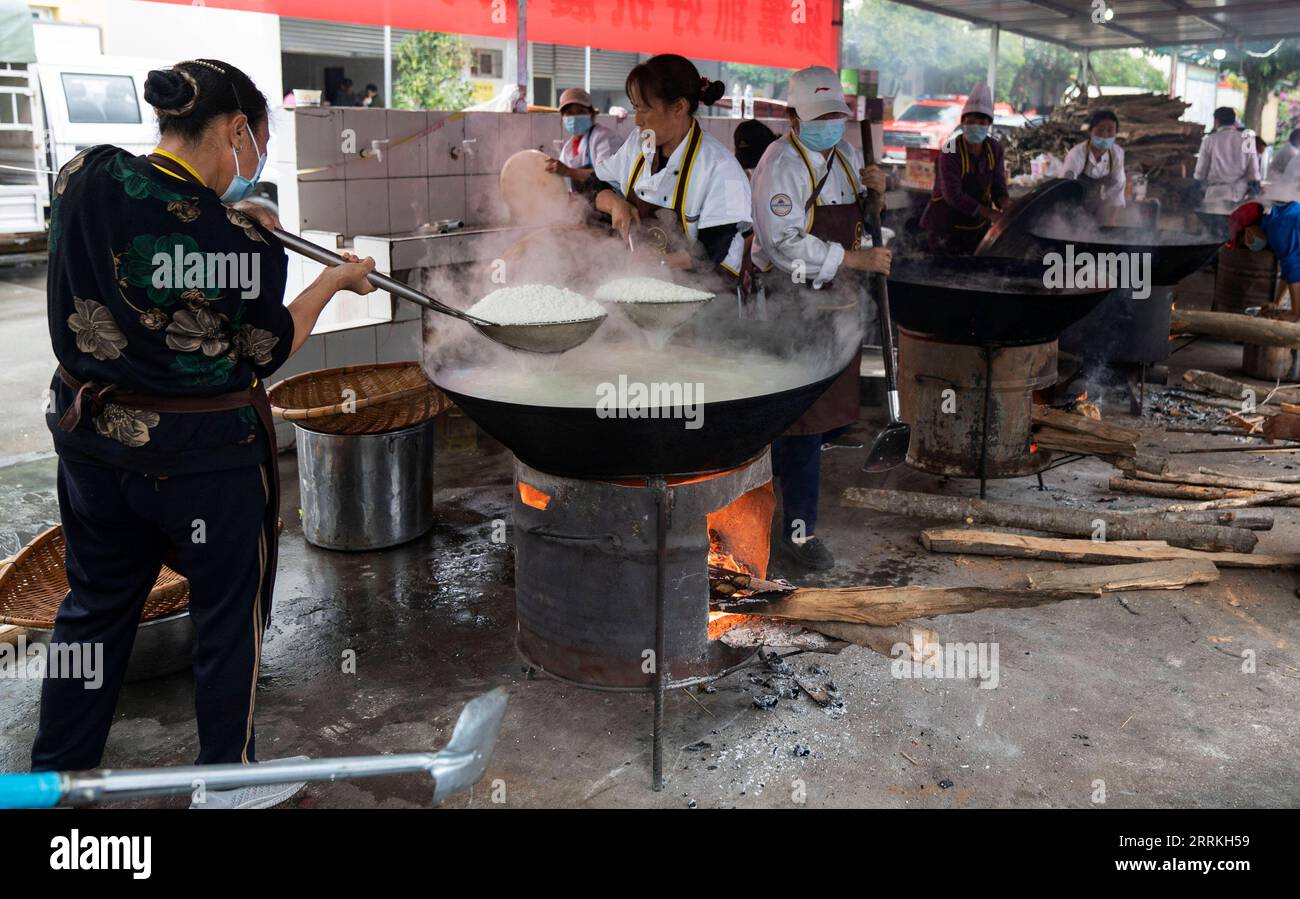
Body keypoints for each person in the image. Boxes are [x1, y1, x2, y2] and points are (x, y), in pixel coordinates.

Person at [32, 59, 376, 808]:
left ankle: (54, 778)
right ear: (235, 129)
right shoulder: (246, 249)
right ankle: (226, 780)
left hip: (93, 442)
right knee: (227, 612)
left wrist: (231, 216)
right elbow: (268, 348)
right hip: (205, 463)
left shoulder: (84, 175)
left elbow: (160, 217)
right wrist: (331, 281)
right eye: (255, 140)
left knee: (92, 611)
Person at [749, 65, 891, 571]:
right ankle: (796, 532)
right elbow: (782, 245)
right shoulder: (779, 164)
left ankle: (779, 501)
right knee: (802, 426)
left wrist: (876, 192)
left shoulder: (848, 156)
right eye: (820, 115)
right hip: (793, 307)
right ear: (793, 116)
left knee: (824, 420)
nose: (830, 124)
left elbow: (860, 215)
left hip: (838, 308)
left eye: (836, 115)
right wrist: (855, 261)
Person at [582, 54, 752, 276]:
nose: (637, 120)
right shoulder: (638, 143)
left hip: (704, 292)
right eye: (635, 108)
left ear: (679, 107)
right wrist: (615, 204)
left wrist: (657, 264)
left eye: (644, 109)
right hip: (642, 279)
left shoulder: (720, 168)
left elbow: (711, 252)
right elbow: (592, 186)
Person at [919, 83, 1009, 254]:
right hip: (945, 229)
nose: (976, 125)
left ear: (989, 124)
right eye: (971, 121)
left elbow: (998, 184)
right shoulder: (950, 149)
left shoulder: (994, 148)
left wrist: (1006, 203)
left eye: (982, 121)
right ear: (963, 123)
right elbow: (953, 195)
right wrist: (990, 213)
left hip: (976, 229)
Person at [544, 87, 619, 192]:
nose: (575, 117)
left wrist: (569, 171)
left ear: (592, 114)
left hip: (610, 203)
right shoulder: (568, 148)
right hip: (585, 204)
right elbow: (565, 186)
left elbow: (607, 176)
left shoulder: (604, 137)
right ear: (562, 117)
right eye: (569, 113)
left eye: (581, 111)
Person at [1061, 109, 1126, 209]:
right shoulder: (1077, 154)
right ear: (1090, 131)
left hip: (1101, 207)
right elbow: (1066, 186)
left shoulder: (1117, 154)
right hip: (1076, 207)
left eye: (1110, 130)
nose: (1105, 135)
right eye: (1100, 130)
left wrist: (1113, 213)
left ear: (1116, 133)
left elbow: (1118, 187)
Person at [1195, 106, 1261, 205]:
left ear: (1216, 121)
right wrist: (1255, 193)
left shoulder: (1209, 141)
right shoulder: (1247, 140)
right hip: (1239, 195)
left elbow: (1200, 172)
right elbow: (1253, 172)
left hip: (1214, 195)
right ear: (1234, 121)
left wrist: (1196, 191)